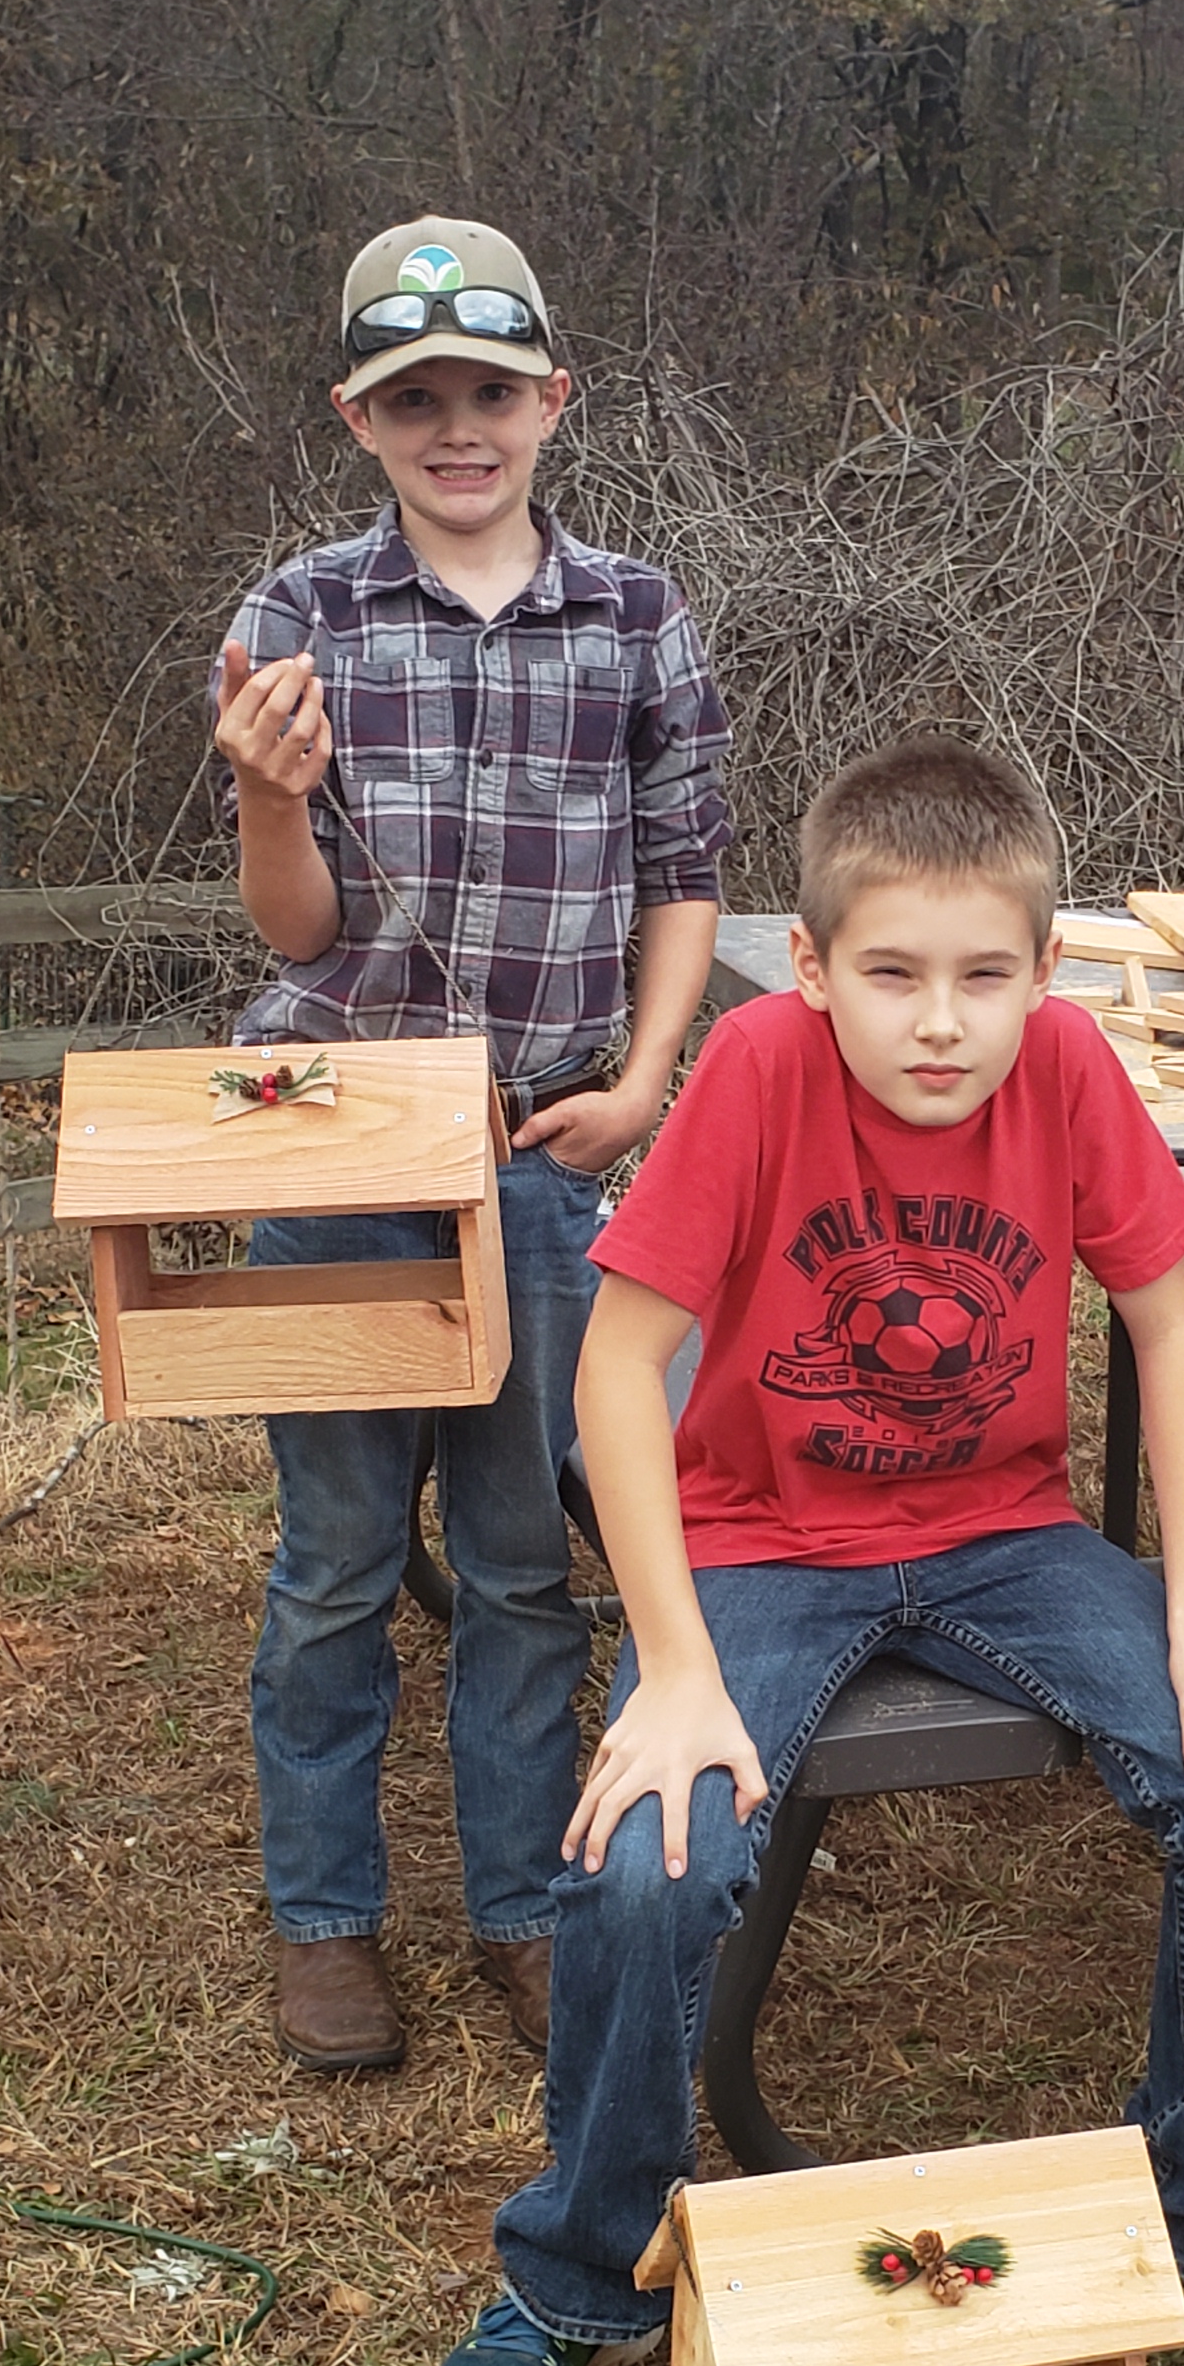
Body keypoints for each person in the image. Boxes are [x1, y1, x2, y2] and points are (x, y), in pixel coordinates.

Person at [418, 737, 1184, 2366]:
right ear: (811, 968)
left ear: (1044, 973)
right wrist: (669, 1667)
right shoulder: (752, 1069)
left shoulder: (1073, 1067)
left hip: (1004, 1532)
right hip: (762, 1540)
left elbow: (1173, 1327)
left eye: (983, 978)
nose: (940, 1023)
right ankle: (582, 2274)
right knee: (654, 1852)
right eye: (892, 976)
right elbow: (619, 1373)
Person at [209, 216, 729, 2076]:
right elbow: (292, 929)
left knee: (529, 1556)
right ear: (360, 418)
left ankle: (523, 1903)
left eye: (490, 393)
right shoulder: (300, 619)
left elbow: (685, 872)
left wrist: (652, 1076)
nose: (458, 428)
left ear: (552, 404)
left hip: (551, 1151)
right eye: (414, 397)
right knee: (339, 1557)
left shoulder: (638, 615)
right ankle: (327, 1923)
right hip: (339, 1144)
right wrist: (274, 798)